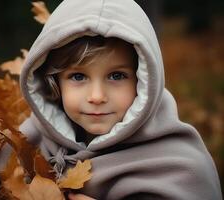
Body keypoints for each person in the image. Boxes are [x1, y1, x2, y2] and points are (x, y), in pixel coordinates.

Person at [18, 0, 222, 199]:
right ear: (54, 82)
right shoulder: (29, 140)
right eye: (78, 76)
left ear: (143, 81)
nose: (97, 96)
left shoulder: (179, 166)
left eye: (116, 76)